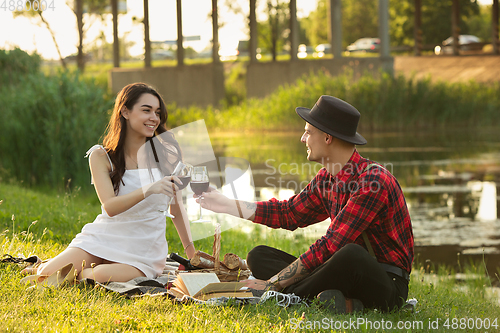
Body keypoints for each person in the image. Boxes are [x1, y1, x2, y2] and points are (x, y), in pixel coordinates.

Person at [197, 95, 413, 313]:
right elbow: (288, 213)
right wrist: (226, 204)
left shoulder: (373, 182)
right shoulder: (326, 178)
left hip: (386, 285)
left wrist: (272, 283)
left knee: (350, 254)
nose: (302, 139)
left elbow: (331, 245)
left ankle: (281, 296)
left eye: (308, 131)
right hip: (342, 272)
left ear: (327, 137)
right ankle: (340, 302)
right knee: (259, 256)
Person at [23, 82, 196, 283]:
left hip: (143, 249)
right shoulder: (100, 156)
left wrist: (190, 250)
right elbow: (111, 207)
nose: (154, 118)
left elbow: (177, 207)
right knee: (46, 276)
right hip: (103, 238)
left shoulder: (167, 156)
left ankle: (72, 271)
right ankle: (46, 267)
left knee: (94, 276)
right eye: (146, 110)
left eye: (157, 113)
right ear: (125, 111)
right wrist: (149, 188)